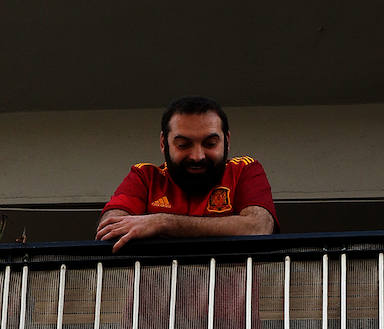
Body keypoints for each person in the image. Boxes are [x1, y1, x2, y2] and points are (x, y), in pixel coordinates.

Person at [96, 96, 278, 252]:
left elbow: (259, 226)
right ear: (163, 143)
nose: (197, 156)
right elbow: (110, 229)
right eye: (183, 145)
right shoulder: (145, 176)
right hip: (157, 293)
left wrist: (162, 223)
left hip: (229, 294)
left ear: (227, 141)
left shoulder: (244, 170)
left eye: (210, 144)